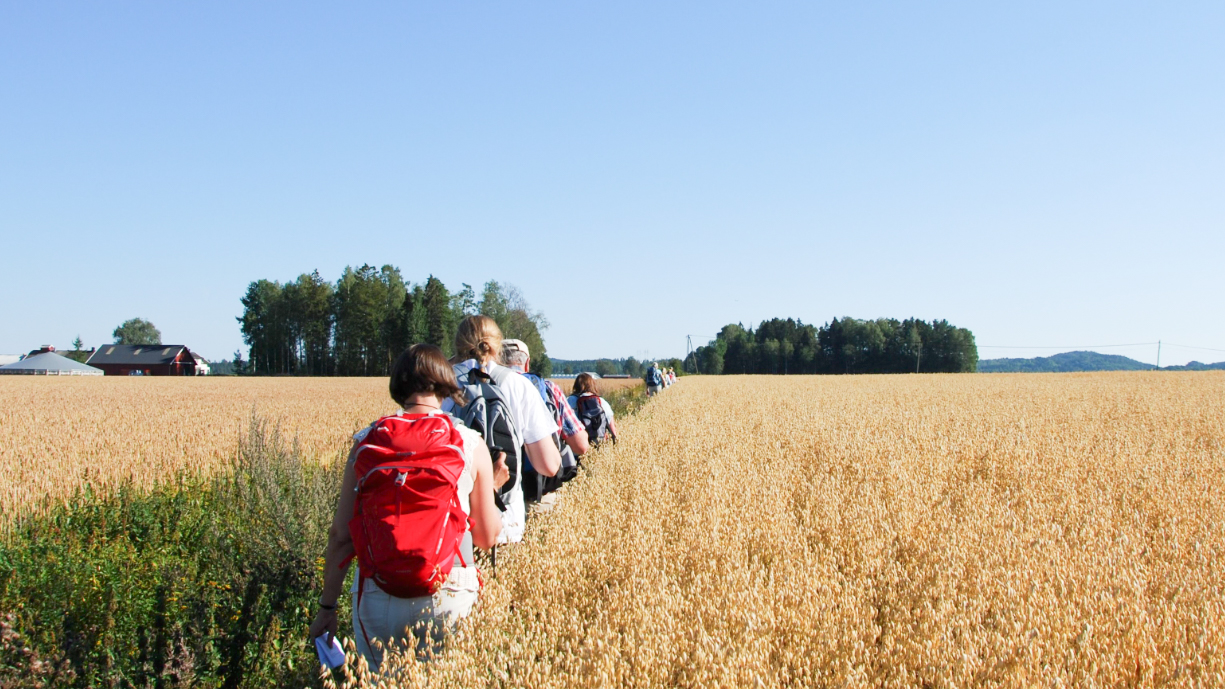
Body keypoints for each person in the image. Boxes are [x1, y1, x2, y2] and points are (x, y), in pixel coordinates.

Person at [309, 344, 506, 670]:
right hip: (449, 590)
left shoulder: (366, 441)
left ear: (398, 386)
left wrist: (327, 607)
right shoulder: (469, 442)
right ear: (445, 384)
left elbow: (340, 536)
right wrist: (494, 487)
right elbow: (486, 537)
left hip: (378, 592)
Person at [446, 316, 562, 543]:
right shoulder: (519, 385)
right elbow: (548, 466)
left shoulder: (439, 384)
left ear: (457, 345)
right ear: (497, 346)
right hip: (505, 522)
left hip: (451, 527)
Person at [567, 372, 619, 443]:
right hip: (600, 447)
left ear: (576, 386)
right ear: (592, 385)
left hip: (578, 446)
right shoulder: (601, 401)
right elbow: (613, 431)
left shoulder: (569, 401)